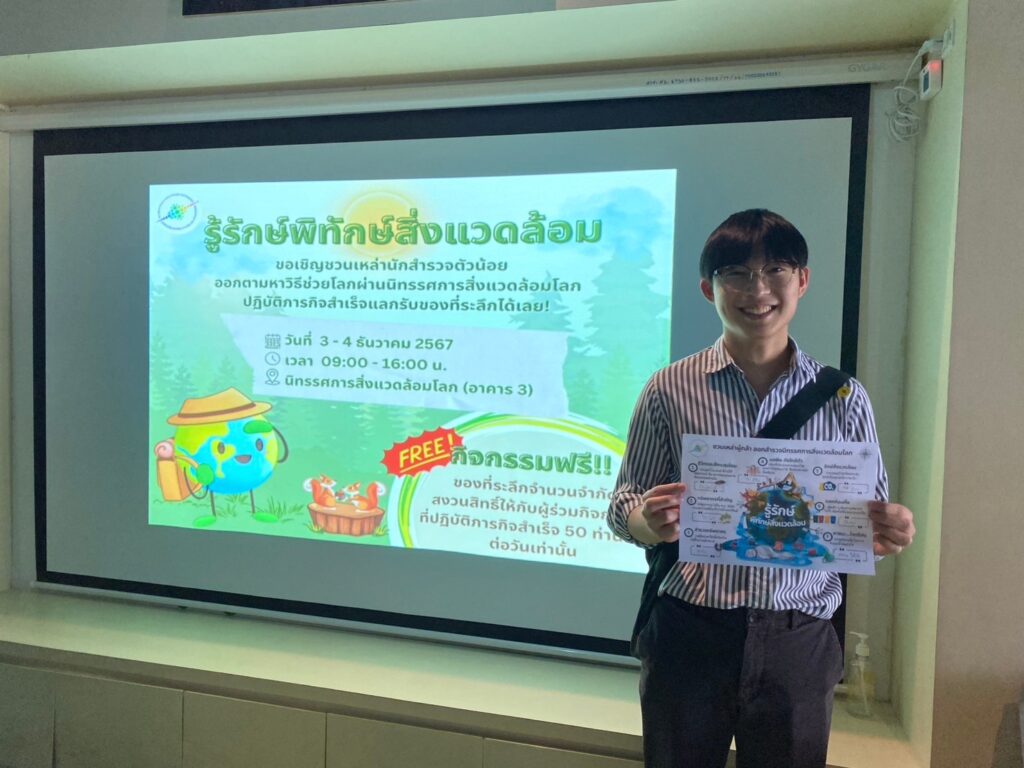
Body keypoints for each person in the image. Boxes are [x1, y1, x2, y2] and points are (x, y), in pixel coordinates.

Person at [607, 209, 915, 768]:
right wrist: (646, 522)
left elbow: (864, 527)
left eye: (776, 269)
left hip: (799, 640)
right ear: (709, 288)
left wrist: (886, 532)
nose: (758, 289)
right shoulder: (669, 388)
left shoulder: (845, 398)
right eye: (736, 273)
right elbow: (622, 504)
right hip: (690, 631)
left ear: (803, 280)